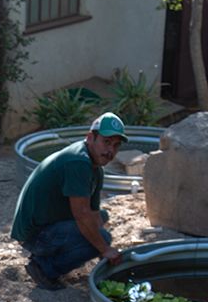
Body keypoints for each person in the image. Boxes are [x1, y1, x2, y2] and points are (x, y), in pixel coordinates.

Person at [11, 112, 126, 290]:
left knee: (102, 218)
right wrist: (103, 249)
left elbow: (94, 213)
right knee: (101, 238)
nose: (110, 150)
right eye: (106, 142)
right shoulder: (78, 162)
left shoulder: (95, 168)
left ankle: (49, 258)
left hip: (47, 223)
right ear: (90, 138)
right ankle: (44, 268)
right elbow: (81, 215)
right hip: (33, 234)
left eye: (116, 145)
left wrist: (103, 252)